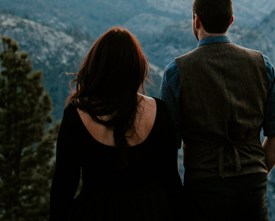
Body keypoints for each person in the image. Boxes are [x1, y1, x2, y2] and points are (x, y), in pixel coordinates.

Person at [160, 0, 275, 221]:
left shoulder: (176, 73)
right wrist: (255, 173)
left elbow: (168, 148)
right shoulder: (262, 65)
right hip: (252, 186)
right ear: (231, 20)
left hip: (203, 188)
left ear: (196, 20)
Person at [50, 27, 183, 221]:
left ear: (97, 65)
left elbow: (64, 185)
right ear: (137, 66)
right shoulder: (159, 111)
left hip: (94, 211)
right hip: (150, 211)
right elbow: (170, 180)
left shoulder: (77, 114)